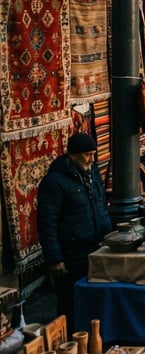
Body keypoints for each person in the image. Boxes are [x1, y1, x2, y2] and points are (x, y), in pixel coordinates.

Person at [37, 131, 112, 324]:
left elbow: (101, 203)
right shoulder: (54, 182)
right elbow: (47, 223)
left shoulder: (92, 173)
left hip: (96, 246)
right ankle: (68, 341)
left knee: (96, 298)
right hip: (71, 253)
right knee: (69, 302)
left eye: (94, 154)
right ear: (73, 155)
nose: (92, 159)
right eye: (88, 155)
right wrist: (55, 259)